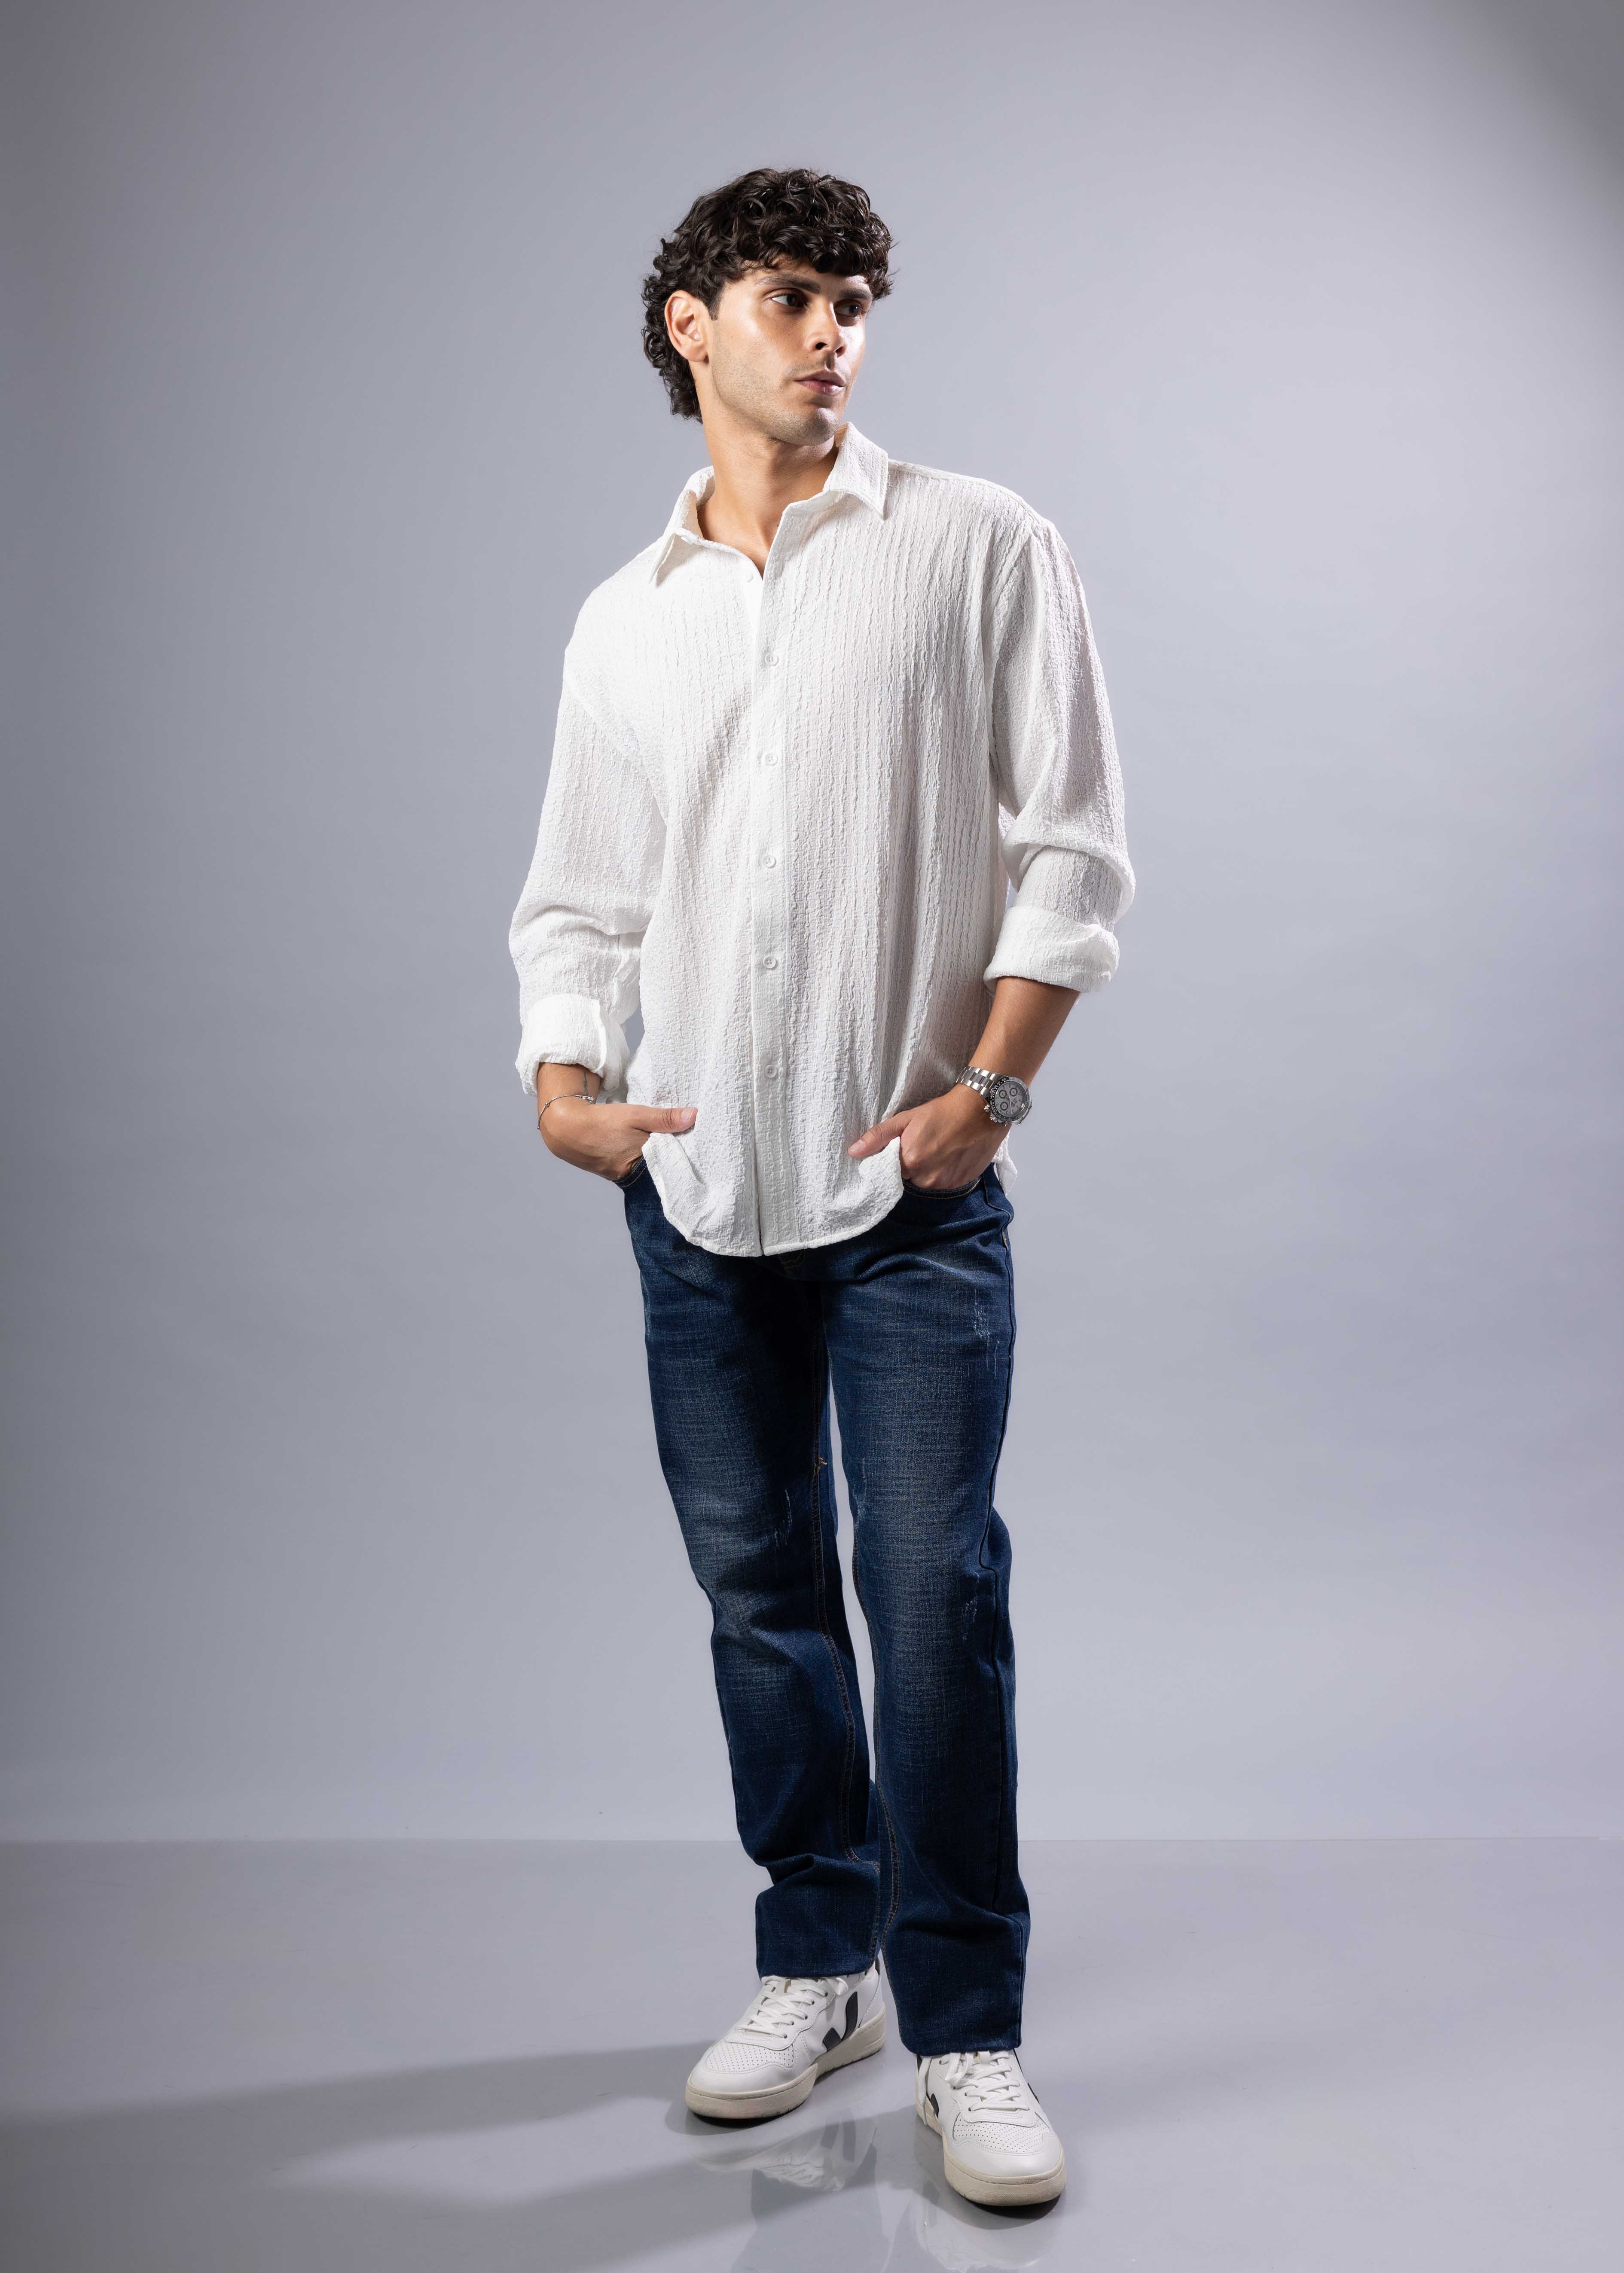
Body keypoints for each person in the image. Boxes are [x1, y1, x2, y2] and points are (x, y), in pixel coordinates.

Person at [508, 167, 1133, 2212]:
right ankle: (819, 1962)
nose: (834, 332)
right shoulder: (628, 615)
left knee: (934, 1598)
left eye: (854, 299)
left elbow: (1073, 854)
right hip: (695, 1189)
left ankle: (966, 2030)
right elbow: (580, 898)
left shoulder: (978, 544)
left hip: (911, 1193)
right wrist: (566, 1090)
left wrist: (988, 1095)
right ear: (692, 325)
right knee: (760, 1595)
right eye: (791, 297)